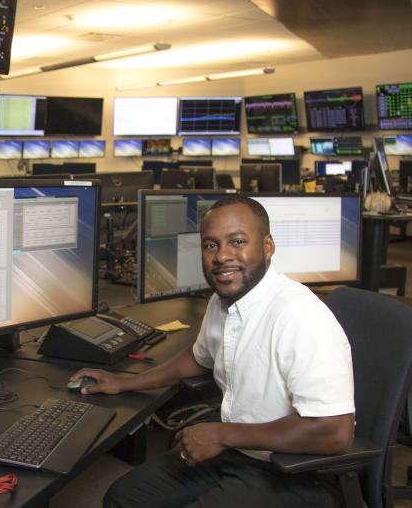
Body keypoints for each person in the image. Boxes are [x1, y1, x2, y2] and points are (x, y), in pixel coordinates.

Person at [71, 195, 355, 508]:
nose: (221, 256)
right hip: (235, 452)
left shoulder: (300, 317)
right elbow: (198, 358)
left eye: (237, 241)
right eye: (211, 245)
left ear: (268, 247)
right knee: (123, 498)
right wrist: (124, 382)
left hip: (289, 469)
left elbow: (335, 434)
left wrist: (222, 435)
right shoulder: (223, 302)